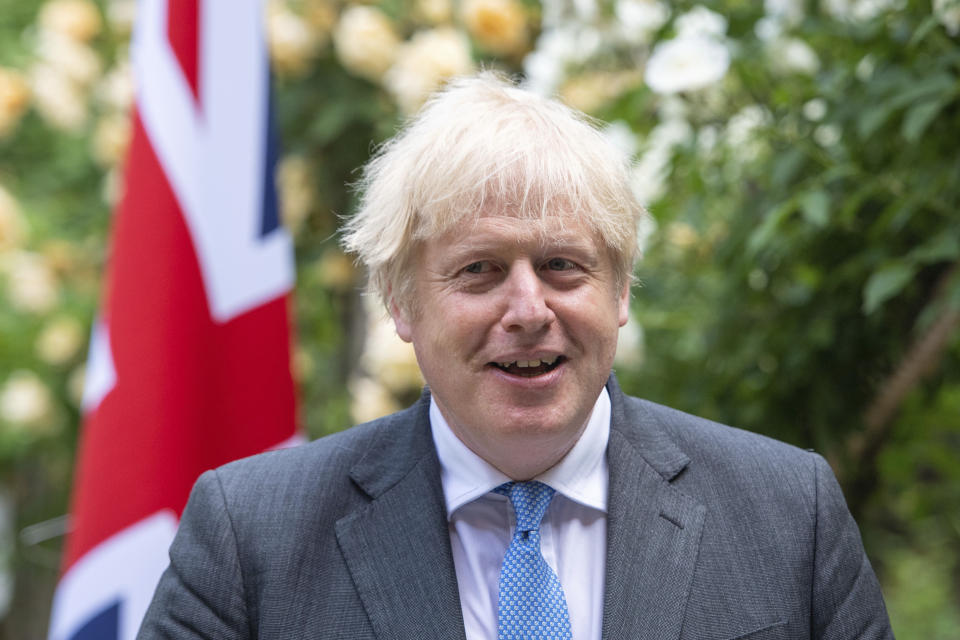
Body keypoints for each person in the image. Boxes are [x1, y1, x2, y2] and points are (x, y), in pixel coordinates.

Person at [138, 73, 893, 639]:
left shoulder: (789, 514)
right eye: (479, 270)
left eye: (564, 265)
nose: (529, 310)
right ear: (401, 303)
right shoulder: (253, 537)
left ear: (622, 290)